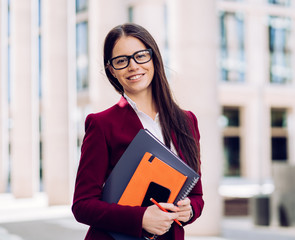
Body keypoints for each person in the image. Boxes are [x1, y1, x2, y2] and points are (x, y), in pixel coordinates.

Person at [72, 23, 204, 240]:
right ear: (112, 70)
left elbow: (197, 194)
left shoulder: (187, 121)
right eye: (121, 61)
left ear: (153, 58)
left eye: (140, 56)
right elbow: (82, 205)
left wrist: (189, 210)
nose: (133, 66)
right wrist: (141, 218)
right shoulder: (102, 124)